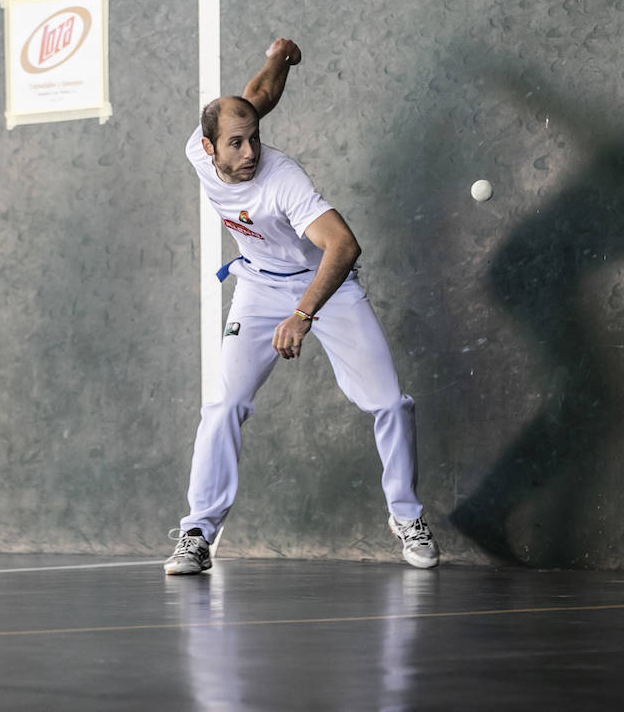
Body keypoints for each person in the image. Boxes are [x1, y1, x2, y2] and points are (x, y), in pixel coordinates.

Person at [164, 37, 439, 574]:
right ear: (208, 146)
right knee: (224, 406)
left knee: (389, 402)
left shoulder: (283, 180)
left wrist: (304, 313)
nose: (249, 154)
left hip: (324, 289)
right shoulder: (198, 151)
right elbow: (255, 97)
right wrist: (278, 58)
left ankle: (406, 516)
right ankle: (197, 533)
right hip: (258, 286)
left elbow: (343, 245)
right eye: (236, 144)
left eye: (255, 141)